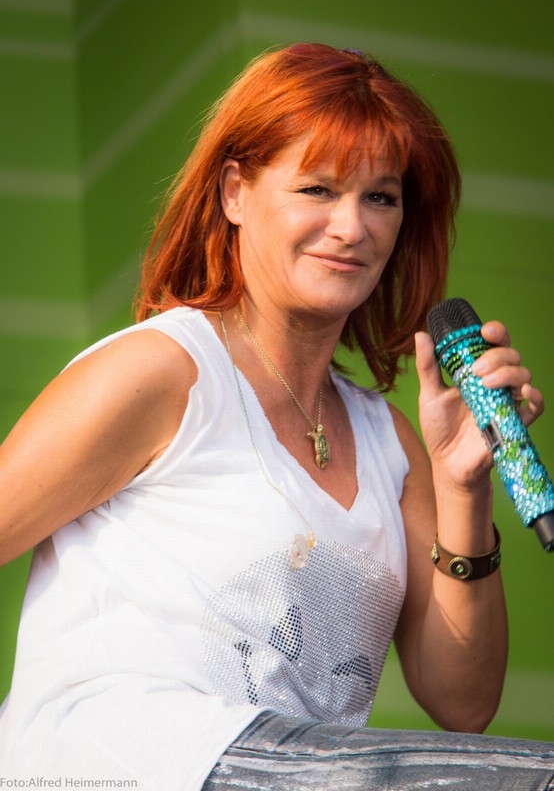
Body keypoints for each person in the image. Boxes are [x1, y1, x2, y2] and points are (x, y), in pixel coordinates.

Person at [0, 42, 552, 790]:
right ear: (236, 193)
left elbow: (464, 704)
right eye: (318, 189)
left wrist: (463, 488)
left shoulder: (390, 443)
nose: (352, 227)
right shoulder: (163, 371)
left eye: (380, 198)